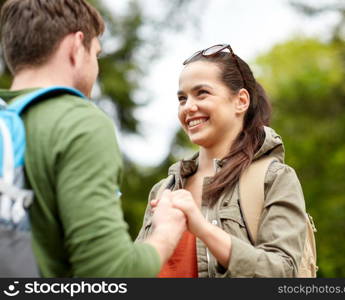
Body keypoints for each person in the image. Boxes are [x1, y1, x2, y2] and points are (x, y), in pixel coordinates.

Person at [0, 0, 185, 277]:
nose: (96, 69)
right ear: (76, 47)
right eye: (96, 54)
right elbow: (110, 275)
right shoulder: (79, 122)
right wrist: (166, 233)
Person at [137, 44, 308, 277]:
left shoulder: (274, 178)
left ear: (241, 101)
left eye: (202, 93)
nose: (189, 107)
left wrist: (203, 229)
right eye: (182, 98)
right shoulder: (163, 191)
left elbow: (282, 271)